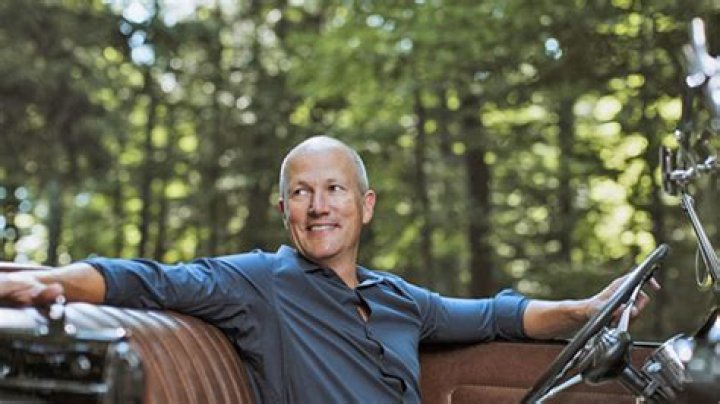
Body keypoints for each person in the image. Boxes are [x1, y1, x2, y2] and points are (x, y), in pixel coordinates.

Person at [0, 136, 654, 403]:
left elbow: (494, 316)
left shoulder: (398, 298)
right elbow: (145, 279)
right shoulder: (257, 284)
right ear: (283, 208)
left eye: (335, 190)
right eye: (302, 193)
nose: (319, 207)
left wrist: (582, 311)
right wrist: (50, 280)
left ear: (365, 206)